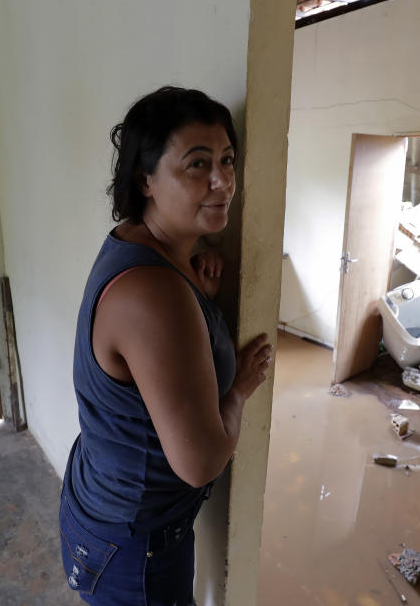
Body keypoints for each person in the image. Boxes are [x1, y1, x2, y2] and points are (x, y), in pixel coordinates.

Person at [58, 86, 273, 605]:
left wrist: (198, 300)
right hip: (133, 544)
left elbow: (150, 361)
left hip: (105, 506)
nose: (222, 181)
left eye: (226, 160)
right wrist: (240, 391)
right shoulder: (154, 293)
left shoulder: (141, 244)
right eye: (197, 165)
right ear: (145, 179)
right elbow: (199, 463)